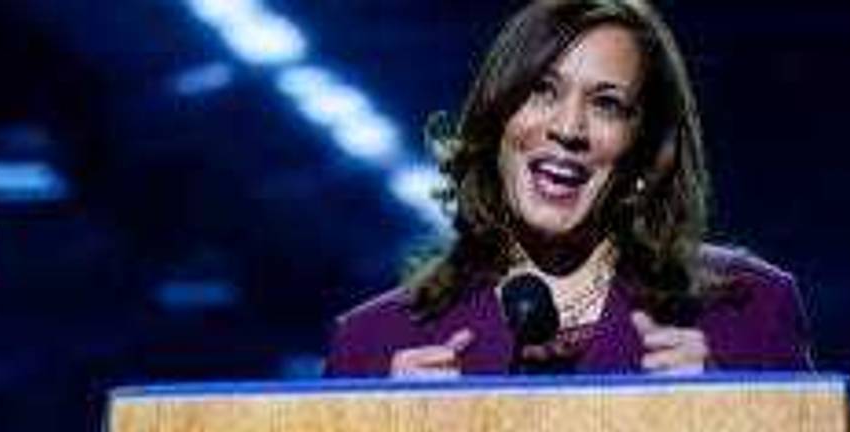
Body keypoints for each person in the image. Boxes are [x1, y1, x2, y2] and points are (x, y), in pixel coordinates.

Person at [325, 0, 812, 378]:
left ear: (646, 151)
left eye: (606, 104)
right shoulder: (373, 342)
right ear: (496, 120)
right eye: (543, 90)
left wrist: (731, 413)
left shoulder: (747, 312)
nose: (569, 128)